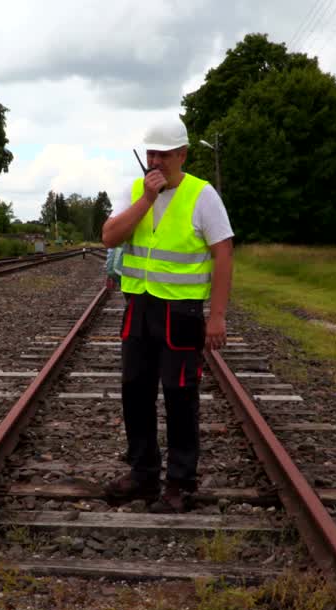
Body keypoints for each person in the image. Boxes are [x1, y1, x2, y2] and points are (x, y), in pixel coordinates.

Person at [99, 115, 234, 513]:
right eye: (151, 153)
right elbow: (109, 236)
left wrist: (218, 316)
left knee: (179, 394)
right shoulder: (135, 192)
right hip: (138, 306)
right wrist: (145, 200)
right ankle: (143, 474)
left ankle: (180, 482)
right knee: (134, 390)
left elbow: (223, 252)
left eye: (164, 154)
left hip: (182, 311)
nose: (156, 162)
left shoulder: (202, 195)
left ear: (182, 154)